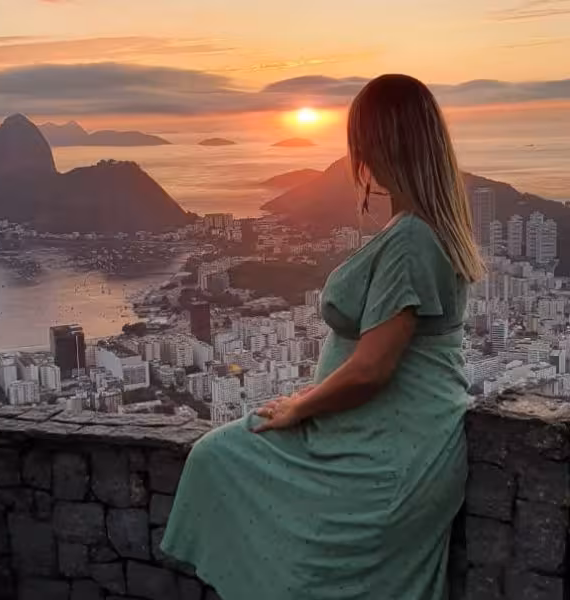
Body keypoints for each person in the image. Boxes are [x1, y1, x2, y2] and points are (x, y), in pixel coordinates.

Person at [161, 74, 484, 600]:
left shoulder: (411, 240)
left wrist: (301, 406)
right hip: (400, 438)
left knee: (218, 457)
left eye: (361, 139)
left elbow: (372, 367)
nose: (357, 152)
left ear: (381, 144)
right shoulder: (427, 229)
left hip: (383, 453)